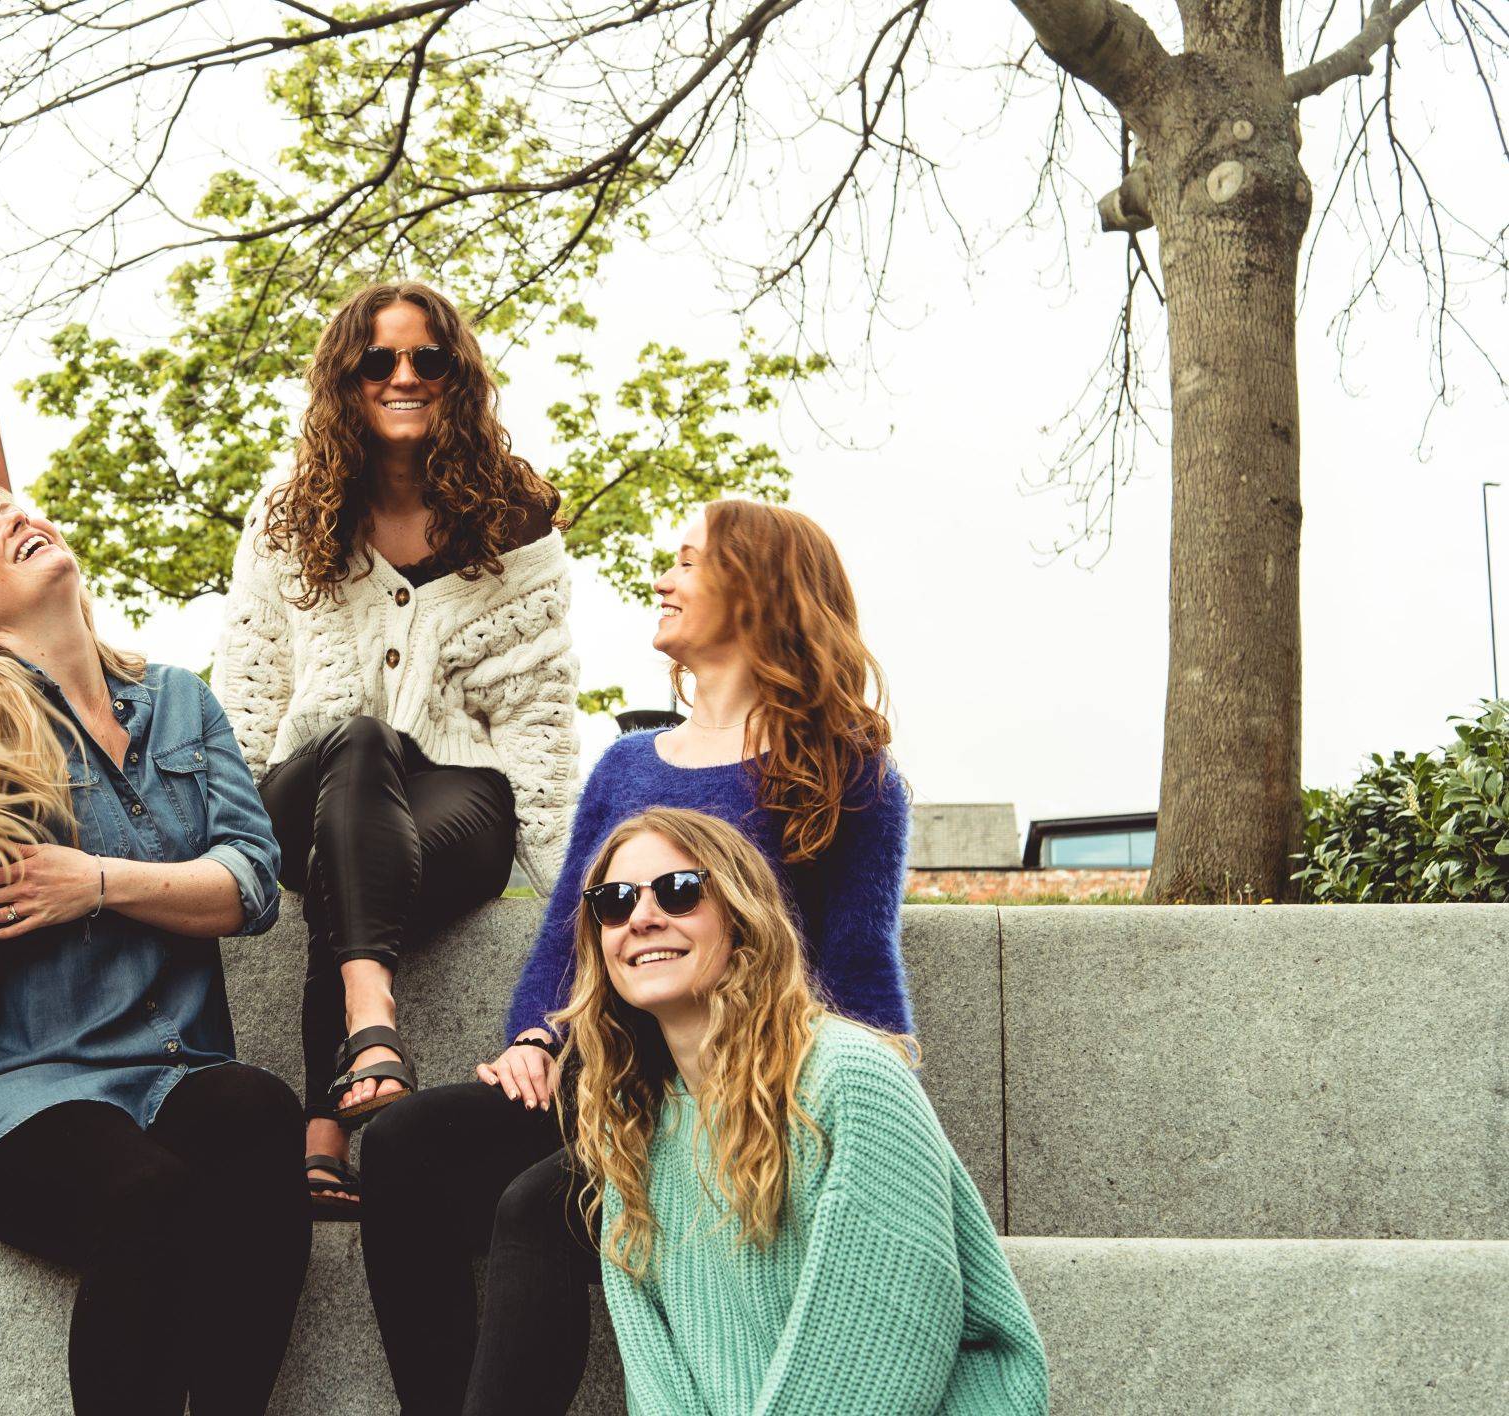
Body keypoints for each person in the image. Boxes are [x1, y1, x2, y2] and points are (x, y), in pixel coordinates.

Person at [362, 499, 912, 1413]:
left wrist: (872, 1120)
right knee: (405, 1143)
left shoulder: (842, 768)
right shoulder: (627, 764)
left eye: (688, 562)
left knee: (540, 1206)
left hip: (735, 1089)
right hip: (605, 1076)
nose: (662, 579)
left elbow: (858, 964)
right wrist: (536, 1038)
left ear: (757, 588)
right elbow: (567, 933)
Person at [0, 485, 306, 1416]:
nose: (20, 524)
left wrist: (96, 880)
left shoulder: (181, 703)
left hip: (169, 1070)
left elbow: (251, 884)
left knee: (261, 1111)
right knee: (148, 1197)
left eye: (18, 510)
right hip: (16, 1090)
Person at [212, 280, 579, 1218]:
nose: (404, 375)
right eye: (379, 360)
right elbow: (249, 683)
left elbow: (537, 713)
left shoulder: (515, 520)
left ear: (459, 377)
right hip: (306, 782)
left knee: (360, 843)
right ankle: (369, 1026)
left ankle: (326, 1122)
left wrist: (575, 891)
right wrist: (214, 853)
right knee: (359, 749)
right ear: (347, 379)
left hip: (457, 799)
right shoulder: (289, 516)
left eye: (428, 358)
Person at [560, 807, 1048, 1414]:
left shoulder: (849, 1077)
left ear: (742, 917)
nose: (642, 918)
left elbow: (886, 1336)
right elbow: (656, 1373)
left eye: (680, 892)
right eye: (614, 902)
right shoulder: (630, 1122)